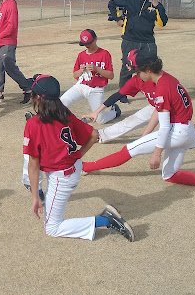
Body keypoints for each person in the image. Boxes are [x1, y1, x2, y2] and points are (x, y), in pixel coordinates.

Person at [80, 55, 195, 202]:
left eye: (139, 72)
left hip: (176, 132)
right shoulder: (168, 79)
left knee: (129, 150)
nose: (137, 75)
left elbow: (164, 127)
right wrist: (145, 135)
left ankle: (86, 167)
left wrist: (156, 154)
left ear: (148, 70)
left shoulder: (162, 88)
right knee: (170, 175)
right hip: (187, 130)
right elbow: (160, 112)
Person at [22, 74, 134, 242]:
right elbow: (94, 134)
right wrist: (78, 155)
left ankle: (106, 220)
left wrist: (34, 197)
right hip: (72, 167)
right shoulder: (64, 113)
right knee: (53, 217)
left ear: (37, 97)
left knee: (52, 228)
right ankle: (105, 218)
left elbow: (33, 164)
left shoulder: (34, 124)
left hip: (62, 176)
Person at [83, 48, 195, 146]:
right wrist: (96, 112)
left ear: (147, 69)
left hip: (173, 113)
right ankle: (102, 135)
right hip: (158, 107)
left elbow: (161, 111)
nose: (134, 73)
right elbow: (118, 95)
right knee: (133, 119)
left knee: (169, 141)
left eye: (136, 70)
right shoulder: (138, 79)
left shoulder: (161, 83)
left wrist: (144, 135)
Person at [107, 0, 168, 89]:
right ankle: (124, 93)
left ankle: (152, 91)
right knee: (127, 67)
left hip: (147, 41)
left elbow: (162, 22)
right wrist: (118, 19)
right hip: (130, 39)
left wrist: (157, 5)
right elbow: (112, 4)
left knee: (150, 68)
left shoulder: (154, 3)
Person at [58, 29, 120, 124]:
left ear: (95, 39)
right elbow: (75, 75)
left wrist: (97, 69)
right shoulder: (81, 55)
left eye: (89, 43)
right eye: (85, 44)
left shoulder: (104, 54)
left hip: (96, 90)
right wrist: (81, 70)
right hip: (81, 86)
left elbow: (111, 75)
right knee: (61, 102)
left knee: (100, 120)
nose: (87, 46)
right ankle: (54, 121)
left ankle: (114, 111)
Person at [0, 0, 31, 104]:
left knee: (10, 68)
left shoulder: (11, 4)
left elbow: (12, 26)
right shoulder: (2, 5)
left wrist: (0, 35)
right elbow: (0, 24)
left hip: (7, 42)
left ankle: (28, 90)